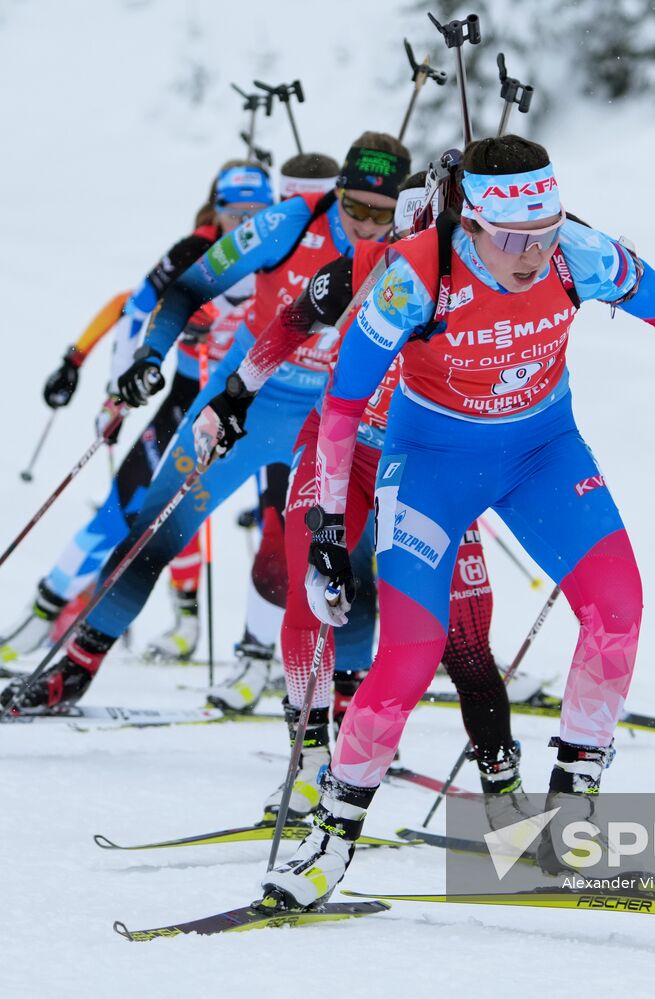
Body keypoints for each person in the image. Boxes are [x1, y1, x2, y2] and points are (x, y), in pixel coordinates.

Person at [260, 134, 655, 909]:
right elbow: (344, 402)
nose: (531, 255)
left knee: (619, 606)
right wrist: (329, 527)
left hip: (542, 453)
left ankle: (569, 821)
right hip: (429, 466)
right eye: (512, 238)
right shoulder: (414, 277)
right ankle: (331, 836)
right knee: (409, 656)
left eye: (545, 231)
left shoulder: (578, 255)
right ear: (471, 226)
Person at [0, 132, 411, 712]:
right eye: (355, 208)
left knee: (345, 554)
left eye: (382, 214)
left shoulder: (408, 249)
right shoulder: (289, 223)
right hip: (247, 399)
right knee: (156, 529)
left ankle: (348, 708)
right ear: (336, 192)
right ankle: (75, 667)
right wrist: (148, 358)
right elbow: (188, 286)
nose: (366, 226)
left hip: (329, 416)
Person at [192, 174, 522, 819]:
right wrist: (237, 392)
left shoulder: (496, 284)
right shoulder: (374, 264)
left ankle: (509, 805)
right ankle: (311, 763)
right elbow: (293, 320)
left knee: (464, 641)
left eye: (437, 242)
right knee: (307, 590)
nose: (420, 254)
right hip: (341, 446)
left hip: (430, 467)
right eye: (413, 239)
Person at [0, 159, 276, 674]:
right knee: (126, 511)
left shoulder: (283, 249)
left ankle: (270, 656)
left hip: (266, 405)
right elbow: (131, 307)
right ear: (216, 211)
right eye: (234, 211)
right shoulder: (192, 253)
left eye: (257, 211)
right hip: (189, 399)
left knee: (283, 525)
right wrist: (114, 389)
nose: (245, 221)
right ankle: (38, 620)